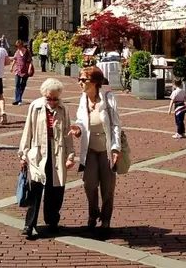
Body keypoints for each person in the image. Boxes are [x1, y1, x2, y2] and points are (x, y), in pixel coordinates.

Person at [19, 77, 74, 240]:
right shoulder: (35, 106)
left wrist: (70, 156)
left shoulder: (64, 108)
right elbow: (27, 129)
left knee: (56, 190)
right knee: (35, 190)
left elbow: (67, 133)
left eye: (55, 98)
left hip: (57, 152)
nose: (52, 102)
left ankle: (52, 221)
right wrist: (23, 153)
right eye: (49, 98)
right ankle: (29, 224)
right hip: (38, 152)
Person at [72, 66, 123, 234]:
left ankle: (106, 219)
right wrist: (78, 129)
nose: (80, 82)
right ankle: (93, 214)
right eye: (79, 79)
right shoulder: (83, 98)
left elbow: (115, 124)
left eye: (83, 80)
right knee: (90, 183)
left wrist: (115, 148)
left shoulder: (108, 98)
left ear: (94, 82)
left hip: (106, 148)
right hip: (90, 148)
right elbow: (80, 119)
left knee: (107, 186)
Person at [12, 40, 35, 106]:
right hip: (18, 70)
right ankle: (18, 100)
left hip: (25, 71)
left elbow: (30, 62)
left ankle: (19, 99)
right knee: (17, 85)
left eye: (18, 46)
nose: (18, 48)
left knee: (22, 85)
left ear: (21, 45)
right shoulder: (17, 51)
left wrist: (29, 69)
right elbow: (15, 59)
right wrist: (12, 67)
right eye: (17, 47)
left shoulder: (27, 52)